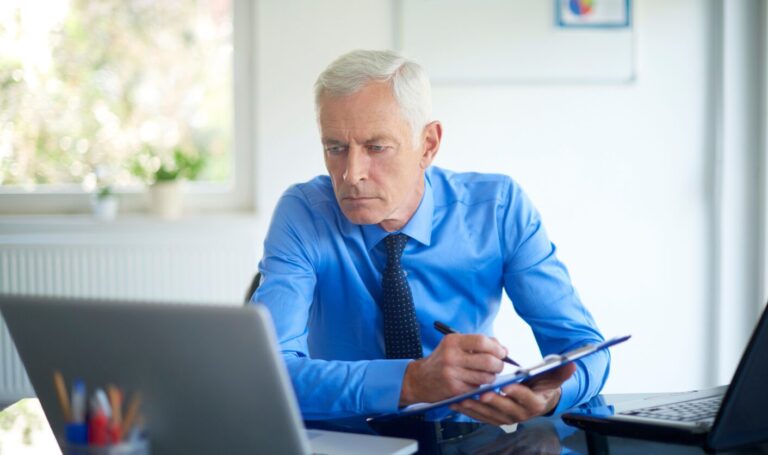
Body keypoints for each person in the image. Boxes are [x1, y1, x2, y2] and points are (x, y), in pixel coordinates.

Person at [252, 49, 609, 425]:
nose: (351, 174)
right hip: (346, 441)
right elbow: (268, 373)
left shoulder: (498, 209)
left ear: (428, 145)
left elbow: (588, 350)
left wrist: (551, 396)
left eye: (376, 148)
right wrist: (410, 382)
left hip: (466, 439)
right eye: (335, 148)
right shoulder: (304, 212)